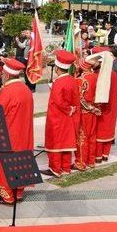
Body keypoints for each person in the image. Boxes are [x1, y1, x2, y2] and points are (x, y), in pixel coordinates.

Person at [0, 58, 35, 204]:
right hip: (24, 132)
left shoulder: (7, 92)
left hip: (10, 133)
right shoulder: (26, 89)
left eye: (2, 73)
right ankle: (18, 192)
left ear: (7, 75)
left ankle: (7, 195)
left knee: (6, 164)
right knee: (21, 161)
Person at [41, 50, 79, 178]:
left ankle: (55, 168)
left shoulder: (58, 82)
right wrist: (71, 110)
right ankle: (66, 167)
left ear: (57, 68)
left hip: (57, 117)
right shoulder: (73, 80)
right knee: (66, 143)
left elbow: (58, 101)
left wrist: (67, 109)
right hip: (68, 117)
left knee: (55, 142)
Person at [74, 57, 100, 171]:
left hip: (85, 112)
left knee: (82, 137)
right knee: (92, 136)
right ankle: (91, 161)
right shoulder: (96, 77)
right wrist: (94, 108)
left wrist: (90, 108)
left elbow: (80, 99)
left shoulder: (81, 80)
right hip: (96, 110)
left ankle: (81, 162)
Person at [94, 48, 117, 164]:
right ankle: (105, 155)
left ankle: (98, 155)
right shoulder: (114, 74)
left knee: (100, 129)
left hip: (102, 107)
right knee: (109, 129)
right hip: (112, 105)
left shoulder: (99, 75)